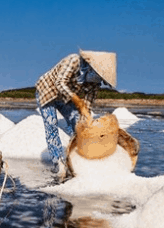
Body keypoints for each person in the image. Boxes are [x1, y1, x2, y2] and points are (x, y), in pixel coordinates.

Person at [35, 50, 117, 182]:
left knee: (77, 124)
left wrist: (86, 120)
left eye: (102, 80)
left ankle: (78, 159)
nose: (99, 82)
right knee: (51, 125)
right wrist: (78, 102)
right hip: (47, 90)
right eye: (99, 77)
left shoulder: (94, 84)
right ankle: (58, 164)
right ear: (92, 68)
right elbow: (60, 83)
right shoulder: (73, 61)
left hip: (65, 97)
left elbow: (87, 107)